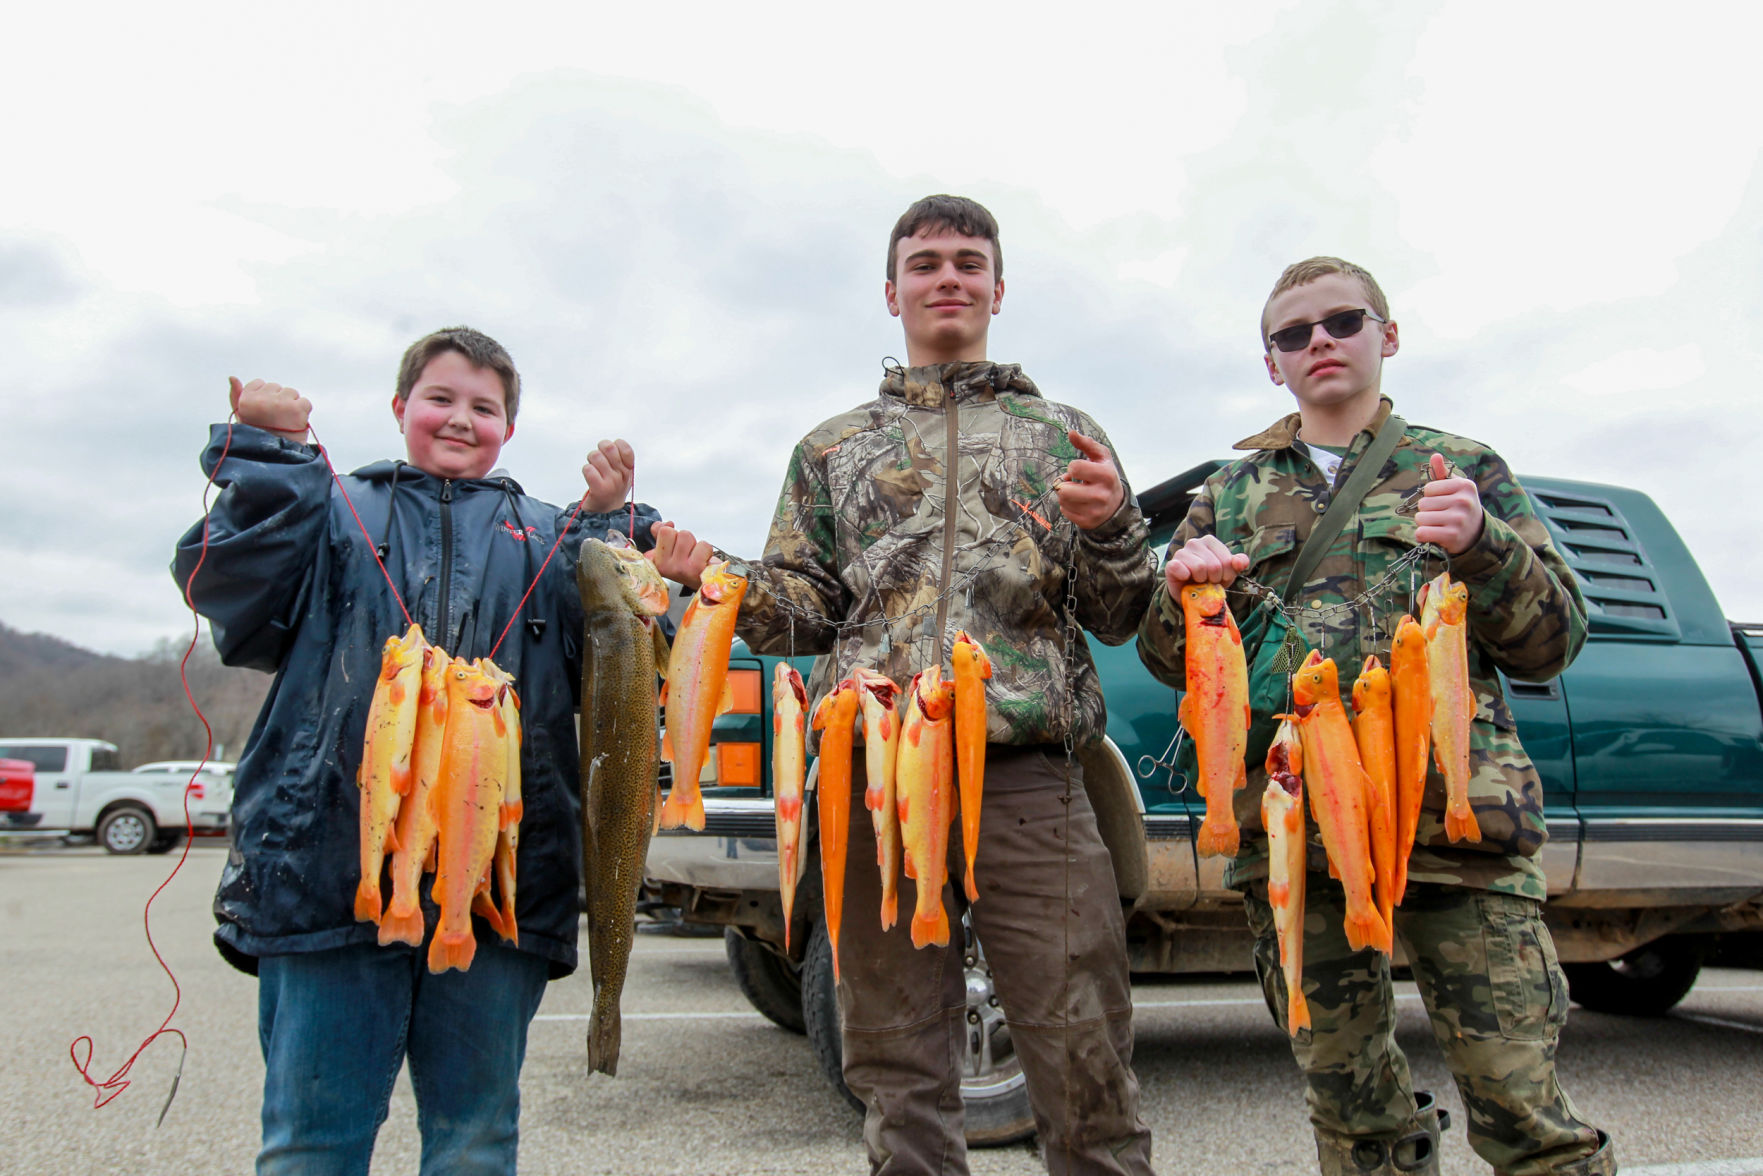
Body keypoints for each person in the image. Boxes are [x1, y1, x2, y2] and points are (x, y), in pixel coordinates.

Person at [648, 195, 1157, 1175]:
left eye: (968, 261)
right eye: (924, 263)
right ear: (892, 293)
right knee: (893, 1063)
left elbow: (1118, 613)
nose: (947, 277)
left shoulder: (1064, 437)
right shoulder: (832, 449)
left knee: (1081, 1049)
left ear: (998, 290)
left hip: (1025, 776)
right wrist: (710, 574)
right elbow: (802, 607)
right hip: (871, 777)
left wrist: (1110, 532)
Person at [1135, 258, 1615, 1176]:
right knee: (1353, 1114)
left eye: (1342, 321)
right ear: (1271, 363)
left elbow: (1552, 645)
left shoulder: (1462, 468)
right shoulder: (1229, 495)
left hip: (1456, 828)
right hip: (1298, 838)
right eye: (1291, 333)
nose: (1318, 341)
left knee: (1522, 1111)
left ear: (1385, 337)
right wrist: (1183, 590)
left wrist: (1483, 545)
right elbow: (1174, 664)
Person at [172, 326, 660, 1175]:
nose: (460, 419)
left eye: (485, 407)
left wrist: (621, 525)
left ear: (510, 427)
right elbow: (232, 596)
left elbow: (634, 652)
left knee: (475, 1142)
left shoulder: (557, 540)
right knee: (309, 1143)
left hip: (500, 895)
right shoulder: (327, 508)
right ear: (400, 408)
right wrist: (267, 454)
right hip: (324, 877)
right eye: (440, 399)